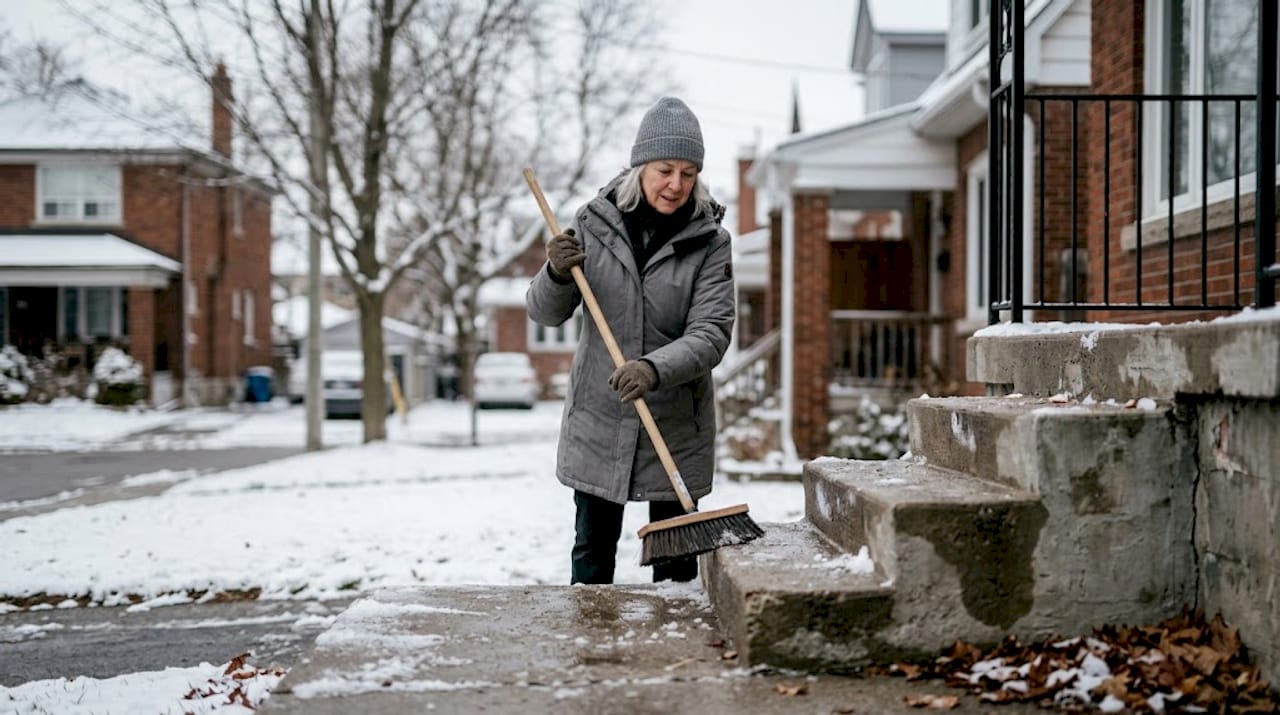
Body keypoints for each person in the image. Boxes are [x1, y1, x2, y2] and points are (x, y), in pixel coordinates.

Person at [526, 96, 735, 585]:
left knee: (676, 570)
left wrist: (653, 369)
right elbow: (543, 312)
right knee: (593, 558)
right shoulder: (594, 225)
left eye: (688, 173)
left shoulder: (710, 242)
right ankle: (593, 652)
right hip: (600, 421)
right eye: (665, 169)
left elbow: (712, 334)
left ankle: (674, 661)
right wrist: (556, 273)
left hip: (674, 424)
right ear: (640, 166)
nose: (675, 185)